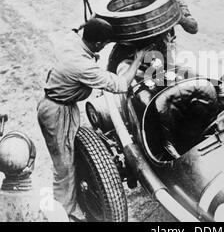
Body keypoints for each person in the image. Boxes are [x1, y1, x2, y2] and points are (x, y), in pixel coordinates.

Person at [36, 17, 150, 220]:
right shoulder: (83, 66)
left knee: (69, 155)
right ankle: (65, 212)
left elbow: (74, 27)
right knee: (63, 165)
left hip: (61, 104)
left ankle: (68, 204)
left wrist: (92, 21)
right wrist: (139, 58)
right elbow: (121, 85)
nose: (105, 46)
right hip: (56, 111)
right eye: (105, 44)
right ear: (97, 44)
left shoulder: (70, 40)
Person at [107, 0, 198, 74]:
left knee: (165, 79)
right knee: (118, 73)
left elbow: (194, 28)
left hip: (161, 46)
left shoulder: (177, 2)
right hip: (132, 47)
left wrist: (179, 17)